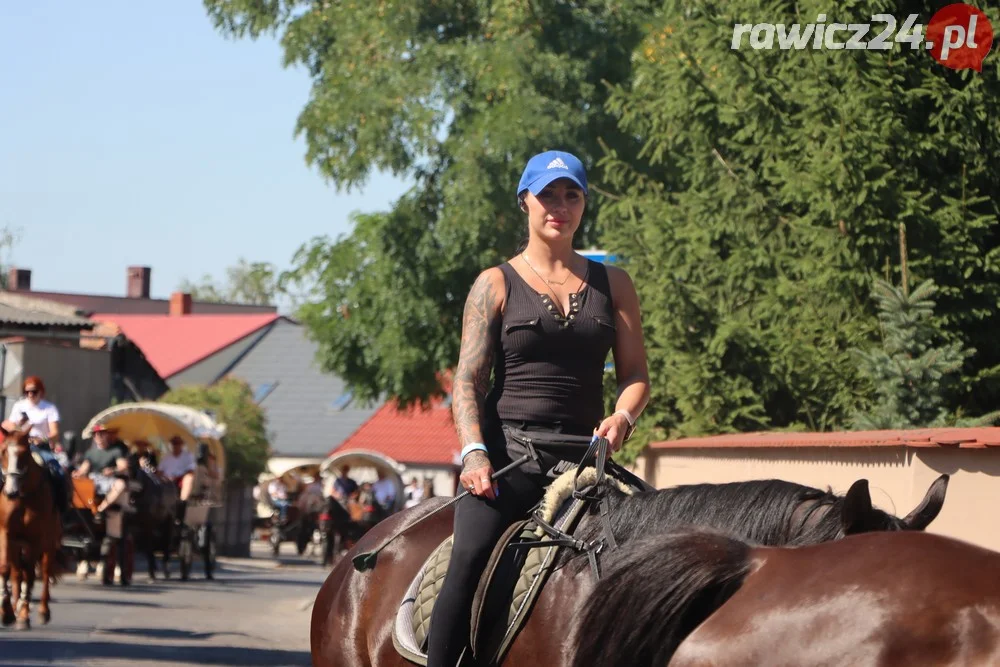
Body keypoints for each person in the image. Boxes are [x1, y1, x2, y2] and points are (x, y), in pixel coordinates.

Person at [425, 150, 651, 666]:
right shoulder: (495, 283)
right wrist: (474, 453)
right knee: (467, 559)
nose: (560, 206)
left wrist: (622, 417)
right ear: (525, 201)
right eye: (548, 194)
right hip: (510, 460)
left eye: (572, 195)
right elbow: (468, 381)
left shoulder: (615, 285)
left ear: (583, 205)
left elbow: (635, 376)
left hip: (587, 461)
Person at [73, 424, 130, 517]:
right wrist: (78, 473)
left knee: (121, 484)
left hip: (109, 479)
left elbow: (122, 466)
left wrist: (112, 470)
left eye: (101, 434)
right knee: (79, 482)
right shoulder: (90, 452)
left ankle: (99, 510)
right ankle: (81, 510)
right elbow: (84, 468)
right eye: (95, 434)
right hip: (94, 478)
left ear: (106, 435)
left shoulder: (115, 450)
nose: (98, 436)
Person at [3, 376, 60, 446]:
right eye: (27, 392)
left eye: (34, 392)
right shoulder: (19, 406)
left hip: (40, 445)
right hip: (20, 444)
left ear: (41, 391)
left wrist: (42, 439)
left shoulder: (49, 408)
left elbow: (54, 433)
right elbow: (11, 425)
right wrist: (19, 429)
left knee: (47, 457)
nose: (30, 395)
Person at [159, 435, 196, 523]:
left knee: (189, 479)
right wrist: (164, 477)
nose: (176, 445)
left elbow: (191, 470)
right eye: (174, 444)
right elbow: (159, 471)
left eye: (178, 443)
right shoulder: (166, 457)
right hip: (166, 480)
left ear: (181, 445)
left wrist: (177, 477)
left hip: (180, 479)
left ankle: (182, 503)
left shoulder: (188, 456)